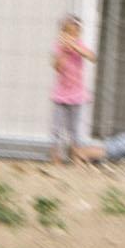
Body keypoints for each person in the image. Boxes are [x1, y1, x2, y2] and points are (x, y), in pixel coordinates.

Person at [48, 14, 96, 163]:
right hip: (60, 95)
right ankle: (56, 156)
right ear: (62, 33)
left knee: (74, 129)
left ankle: (75, 156)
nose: (71, 36)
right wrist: (63, 52)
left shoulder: (80, 46)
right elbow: (57, 67)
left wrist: (75, 47)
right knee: (57, 128)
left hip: (77, 95)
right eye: (67, 32)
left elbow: (92, 57)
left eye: (74, 33)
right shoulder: (58, 48)